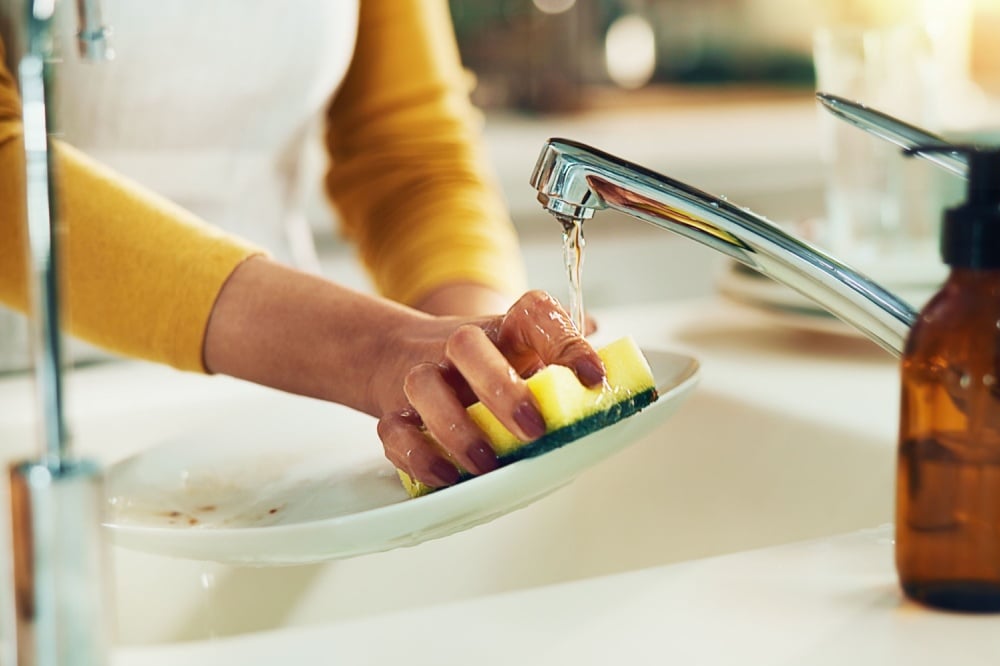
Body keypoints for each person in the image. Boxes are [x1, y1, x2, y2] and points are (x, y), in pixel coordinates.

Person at [0, 0, 601, 491]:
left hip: (286, 393)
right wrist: (370, 349)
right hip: (25, 400)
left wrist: (468, 364)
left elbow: (408, 154)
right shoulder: (360, 352)